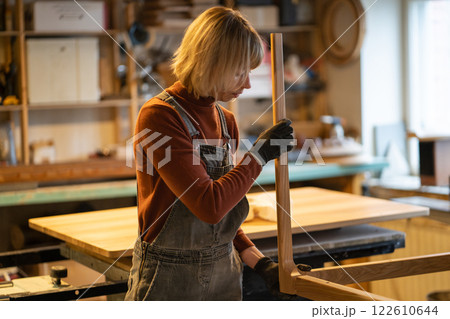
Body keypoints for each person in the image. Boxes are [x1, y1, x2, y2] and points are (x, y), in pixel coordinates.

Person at [125, 6, 298, 301]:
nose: (246, 83)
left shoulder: (225, 120)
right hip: (169, 278)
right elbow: (209, 205)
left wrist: (259, 261)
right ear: (210, 63)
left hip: (224, 274)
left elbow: (222, 219)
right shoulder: (158, 116)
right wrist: (258, 156)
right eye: (239, 72)